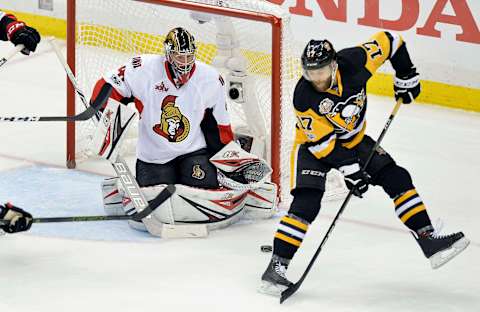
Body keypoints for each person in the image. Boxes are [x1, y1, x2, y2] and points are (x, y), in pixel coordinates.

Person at [259, 31, 470, 295]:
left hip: (354, 140)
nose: (316, 79)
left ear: (334, 64)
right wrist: (352, 171)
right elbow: (323, 146)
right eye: (311, 73)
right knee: (307, 203)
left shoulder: (356, 61)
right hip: (314, 149)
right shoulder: (304, 96)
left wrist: (405, 74)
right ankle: (276, 267)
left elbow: (392, 42)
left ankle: (429, 241)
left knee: (398, 179)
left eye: (321, 71)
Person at [90, 27, 278, 236]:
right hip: (153, 157)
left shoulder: (210, 79)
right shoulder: (143, 69)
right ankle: (122, 186)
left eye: (189, 56)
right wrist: (105, 116)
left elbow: (219, 129)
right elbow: (109, 85)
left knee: (203, 187)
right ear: (168, 54)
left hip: (193, 152)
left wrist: (229, 161)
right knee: (154, 195)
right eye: (180, 56)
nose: (185, 61)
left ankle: (234, 188)